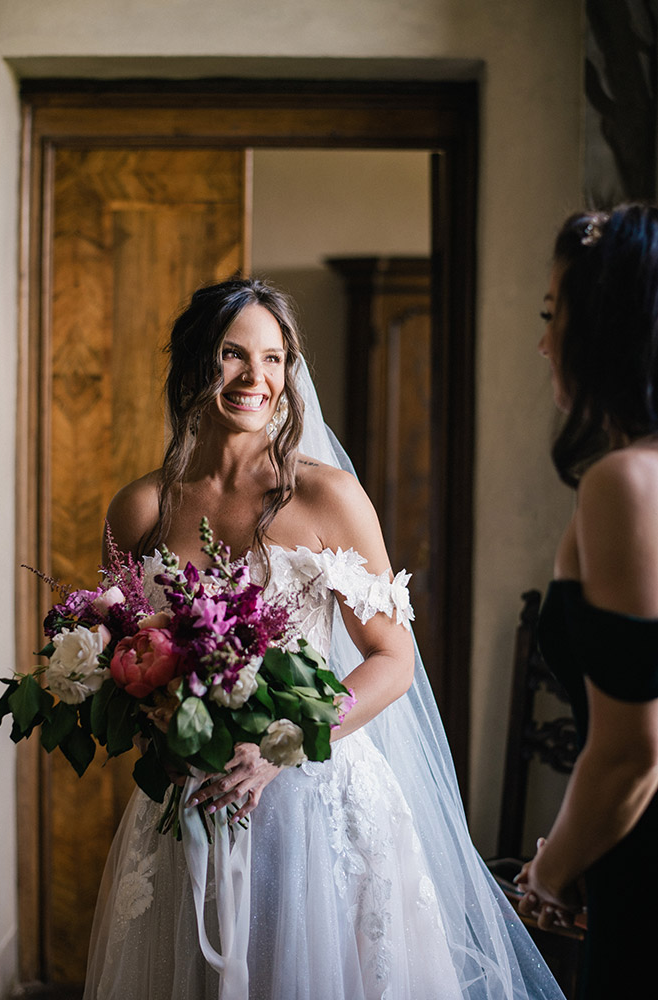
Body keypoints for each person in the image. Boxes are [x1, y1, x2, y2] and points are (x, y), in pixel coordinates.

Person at [83, 277, 564, 999]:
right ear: (192, 364)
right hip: (189, 801)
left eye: (274, 358)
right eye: (232, 355)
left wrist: (280, 744)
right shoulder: (141, 507)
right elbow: (116, 656)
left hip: (318, 796)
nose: (256, 378)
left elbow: (392, 660)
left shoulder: (325, 495)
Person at [517, 204, 658, 999]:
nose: (544, 342)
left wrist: (550, 872)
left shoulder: (625, 483)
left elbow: (631, 753)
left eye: (552, 313)